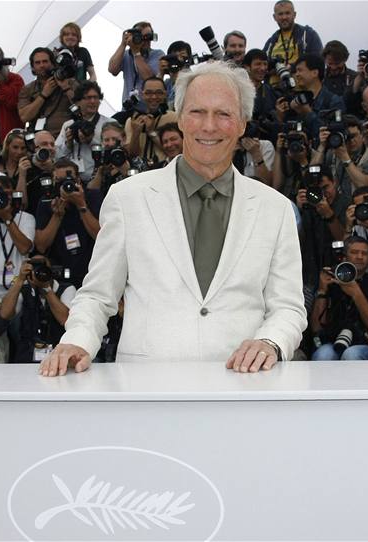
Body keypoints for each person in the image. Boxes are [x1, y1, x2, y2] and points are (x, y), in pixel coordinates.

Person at [40, 61, 307, 375]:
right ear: (179, 118)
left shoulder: (275, 209)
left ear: (243, 123)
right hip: (148, 391)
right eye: (197, 112)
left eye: (223, 114)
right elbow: (98, 294)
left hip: (243, 387)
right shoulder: (128, 198)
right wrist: (78, 341)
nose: (209, 126)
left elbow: (288, 306)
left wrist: (270, 342)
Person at [310, 236, 368, 360]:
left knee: (352, 354)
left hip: (366, 343)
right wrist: (322, 290)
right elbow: (316, 327)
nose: (359, 256)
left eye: (364, 253)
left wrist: (356, 293)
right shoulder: (332, 280)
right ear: (343, 256)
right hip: (332, 342)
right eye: (354, 252)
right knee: (324, 354)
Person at [34, 160, 102, 288]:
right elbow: (41, 245)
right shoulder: (47, 201)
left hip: (92, 271)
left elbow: (100, 236)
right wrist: (57, 215)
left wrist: (81, 205)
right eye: (59, 181)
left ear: (78, 181)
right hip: (61, 276)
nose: (65, 186)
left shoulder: (92, 196)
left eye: (68, 180)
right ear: (53, 182)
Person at [0, 256, 77, 363]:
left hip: (58, 352)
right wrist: (20, 280)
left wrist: (46, 288)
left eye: (44, 268)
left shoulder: (66, 289)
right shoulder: (24, 290)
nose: (40, 272)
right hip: (28, 354)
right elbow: (4, 314)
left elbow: (66, 320)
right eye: (35, 268)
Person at [56, 82, 116, 181]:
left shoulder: (110, 124)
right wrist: (68, 144)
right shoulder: (68, 125)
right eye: (88, 98)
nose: (92, 101)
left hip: (101, 179)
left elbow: (116, 150)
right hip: (73, 180)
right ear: (78, 102)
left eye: (96, 97)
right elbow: (57, 156)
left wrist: (91, 141)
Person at [18, 47, 76, 138]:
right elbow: (24, 117)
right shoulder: (28, 89)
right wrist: (43, 95)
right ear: (32, 67)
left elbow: (82, 108)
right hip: (39, 140)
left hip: (65, 138)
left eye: (45, 61)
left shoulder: (70, 82)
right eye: (37, 63)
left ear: (52, 63)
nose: (42, 65)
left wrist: (66, 88)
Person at [262, 0, 323, 82]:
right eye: (280, 14)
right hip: (273, 91)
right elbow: (261, 66)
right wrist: (272, 68)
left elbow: (318, 60)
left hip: (301, 89)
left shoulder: (308, 34)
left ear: (294, 15)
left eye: (287, 13)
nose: (284, 17)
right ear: (274, 17)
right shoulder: (270, 42)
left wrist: (292, 67)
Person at [125, 77, 177, 165]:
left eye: (159, 93)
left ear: (165, 94)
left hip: (165, 169)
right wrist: (136, 133)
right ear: (142, 94)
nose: (154, 97)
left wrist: (152, 132)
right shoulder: (132, 121)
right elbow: (133, 154)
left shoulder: (173, 118)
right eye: (148, 93)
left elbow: (176, 151)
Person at [108, 21, 164, 102]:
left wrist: (136, 53)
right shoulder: (127, 54)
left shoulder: (157, 54)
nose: (146, 41)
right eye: (142, 37)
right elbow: (112, 69)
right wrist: (123, 44)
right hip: (128, 109)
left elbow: (149, 79)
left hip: (148, 109)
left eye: (149, 37)